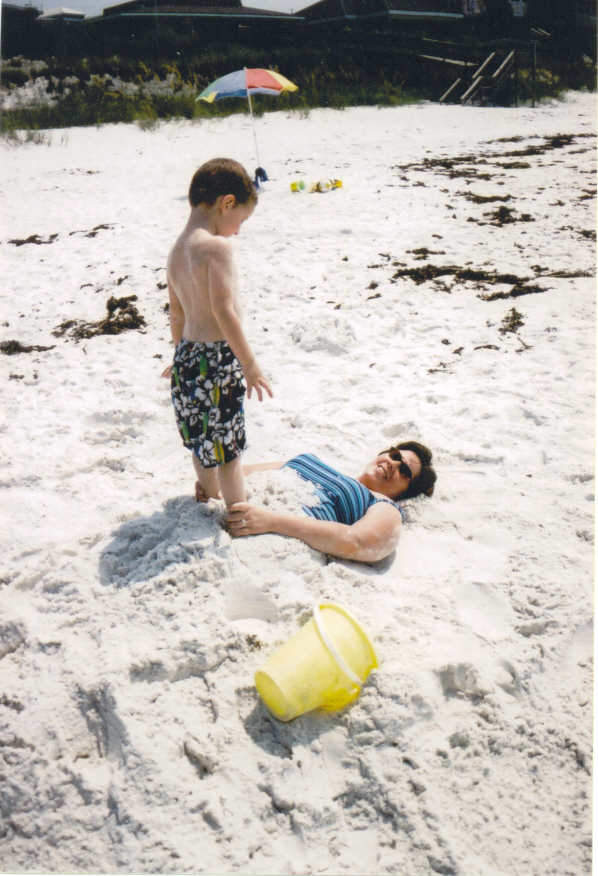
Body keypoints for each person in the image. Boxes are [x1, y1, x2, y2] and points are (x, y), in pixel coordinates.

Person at [163, 158, 273, 509]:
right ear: (227, 203)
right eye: (240, 219)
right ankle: (238, 510)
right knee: (229, 448)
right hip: (218, 358)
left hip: (188, 357)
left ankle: (208, 495)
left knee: (200, 440)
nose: (237, 230)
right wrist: (251, 365)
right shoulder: (215, 247)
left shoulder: (176, 250)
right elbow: (224, 312)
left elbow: (176, 313)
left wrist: (179, 355)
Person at [197, 441, 436, 563]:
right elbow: (245, 471)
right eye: (394, 455)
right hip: (225, 514)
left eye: (403, 470)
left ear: (405, 491)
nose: (392, 464)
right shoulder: (315, 462)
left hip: (263, 537)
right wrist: (212, 484)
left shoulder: (382, 504)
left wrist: (271, 521)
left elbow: (357, 542)